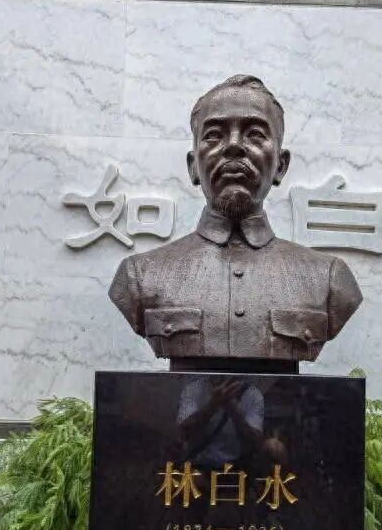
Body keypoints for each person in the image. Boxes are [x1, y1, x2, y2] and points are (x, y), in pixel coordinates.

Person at [109, 75, 362, 368]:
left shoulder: (329, 278)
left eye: (254, 134)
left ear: (281, 166)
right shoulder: (140, 275)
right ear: (193, 166)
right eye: (214, 135)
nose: (233, 146)